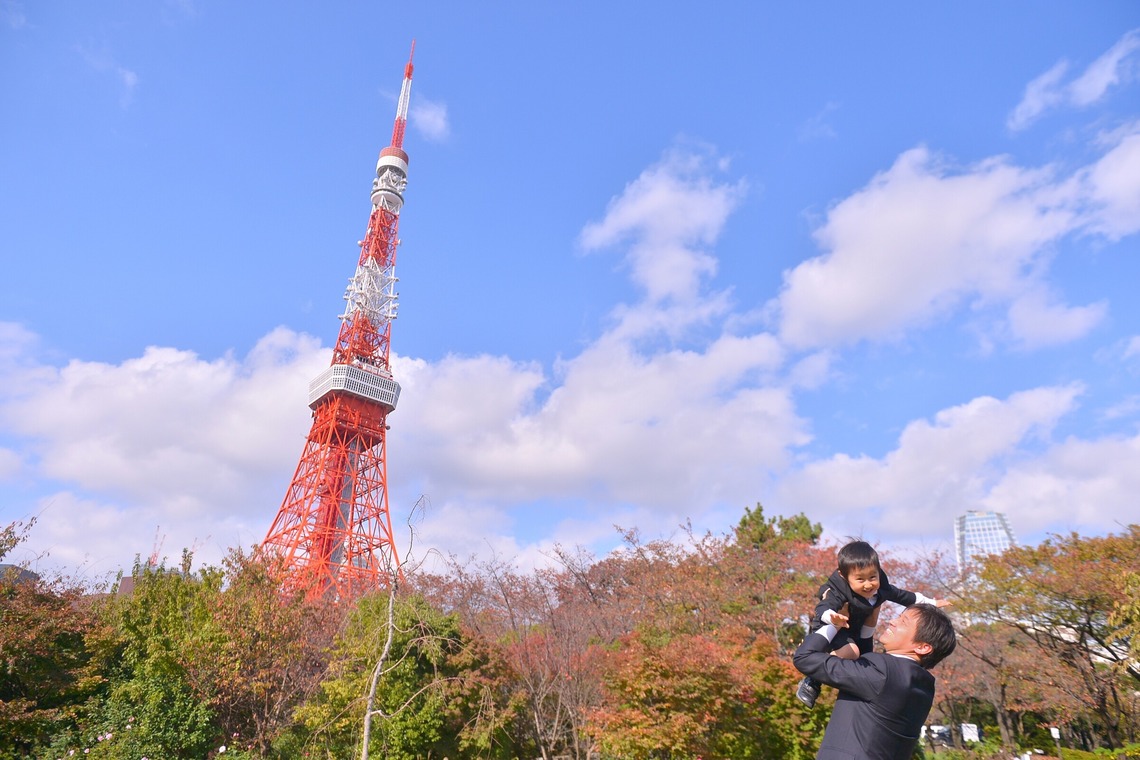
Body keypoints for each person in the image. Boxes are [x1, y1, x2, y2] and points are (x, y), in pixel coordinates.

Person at [796, 540, 952, 708]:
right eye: (860, 579)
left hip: (856, 629)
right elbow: (823, 607)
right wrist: (833, 619)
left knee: (866, 658)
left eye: (872, 577)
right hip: (832, 626)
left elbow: (903, 596)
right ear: (843, 576)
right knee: (853, 652)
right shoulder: (837, 591)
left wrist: (932, 603)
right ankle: (813, 679)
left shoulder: (881, 588)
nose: (868, 584)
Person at [793, 602, 957, 760]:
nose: (893, 621)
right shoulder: (924, 686)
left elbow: (805, 658)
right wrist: (872, 614)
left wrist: (834, 623)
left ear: (923, 647)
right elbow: (867, 662)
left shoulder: (882, 672)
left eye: (903, 622)